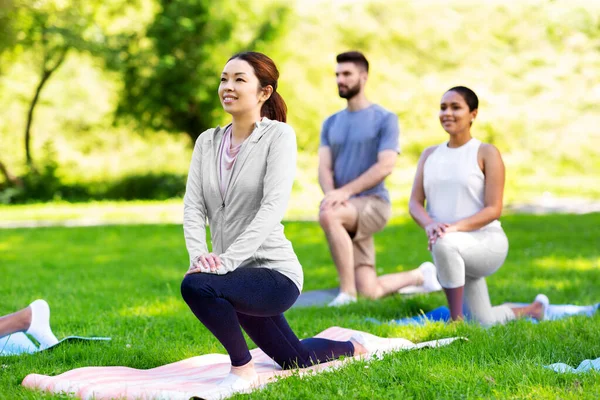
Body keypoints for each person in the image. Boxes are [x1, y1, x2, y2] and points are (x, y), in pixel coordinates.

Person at [180, 52, 385, 391]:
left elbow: (272, 208)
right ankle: (354, 345)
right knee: (295, 358)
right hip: (232, 275)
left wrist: (223, 263)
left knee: (197, 286)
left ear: (264, 92)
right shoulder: (207, 141)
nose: (227, 87)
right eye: (223, 79)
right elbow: (193, 206)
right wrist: (199, 256)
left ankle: (243, 371)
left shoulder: (278, 137)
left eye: (239, 79)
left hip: (275, 276)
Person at [408, 86, 549, 326]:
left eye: (455, 107)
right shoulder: (429, 155)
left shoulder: (486, 152)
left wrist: (450, 229)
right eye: (443, 108)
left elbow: (494, 208)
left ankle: (455, 323)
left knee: (444, 243)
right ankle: (533, 310)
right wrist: (430, 224)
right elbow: (414, 203)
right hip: (449, 248)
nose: (447, 113)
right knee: (483, 322)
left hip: (486, 243)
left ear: (473, 113)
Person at [318, 51, 440, 307]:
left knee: (329, 215)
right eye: (337, 74)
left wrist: (343, 194)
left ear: (363, 77)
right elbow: (324, 168)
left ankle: (346, 294)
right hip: (346, 206)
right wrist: (332, 195)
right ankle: (421, 275)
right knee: (370, 291)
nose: (340, 79)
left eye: (347, 74)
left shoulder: (385, 119)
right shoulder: (331, 123)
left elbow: (386, 165)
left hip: (373, 204)